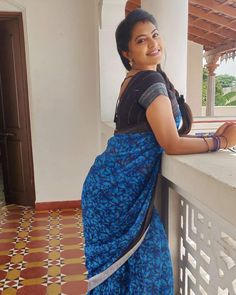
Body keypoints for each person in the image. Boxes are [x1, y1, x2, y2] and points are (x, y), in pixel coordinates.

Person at [81, 9, 236, 295]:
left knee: (130, 275)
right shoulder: (149, 82)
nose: (153, 44)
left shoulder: (137, 79)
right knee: (150, 275)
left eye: (155, 35)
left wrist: (209, 136)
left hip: (111, 189)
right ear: (127, 52)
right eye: (142, 41)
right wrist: (220, 143)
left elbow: (164, 133)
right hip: (117, 196)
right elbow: (170, 142)